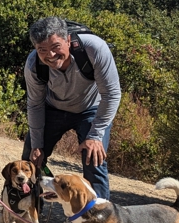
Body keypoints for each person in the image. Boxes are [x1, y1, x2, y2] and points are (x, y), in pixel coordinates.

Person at [23, 16, 121, 200]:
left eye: (55, 47)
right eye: (42, 50)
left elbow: (111, 94)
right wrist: (36, 145)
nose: (50, 55)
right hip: (53, 108)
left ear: (68, 40)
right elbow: (35, 104)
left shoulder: (94, 49)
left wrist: (95, 135)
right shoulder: (33, 65)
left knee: (94, 158)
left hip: (91, 108)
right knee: (31, 160)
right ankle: (28, 211)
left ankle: (99, 217)